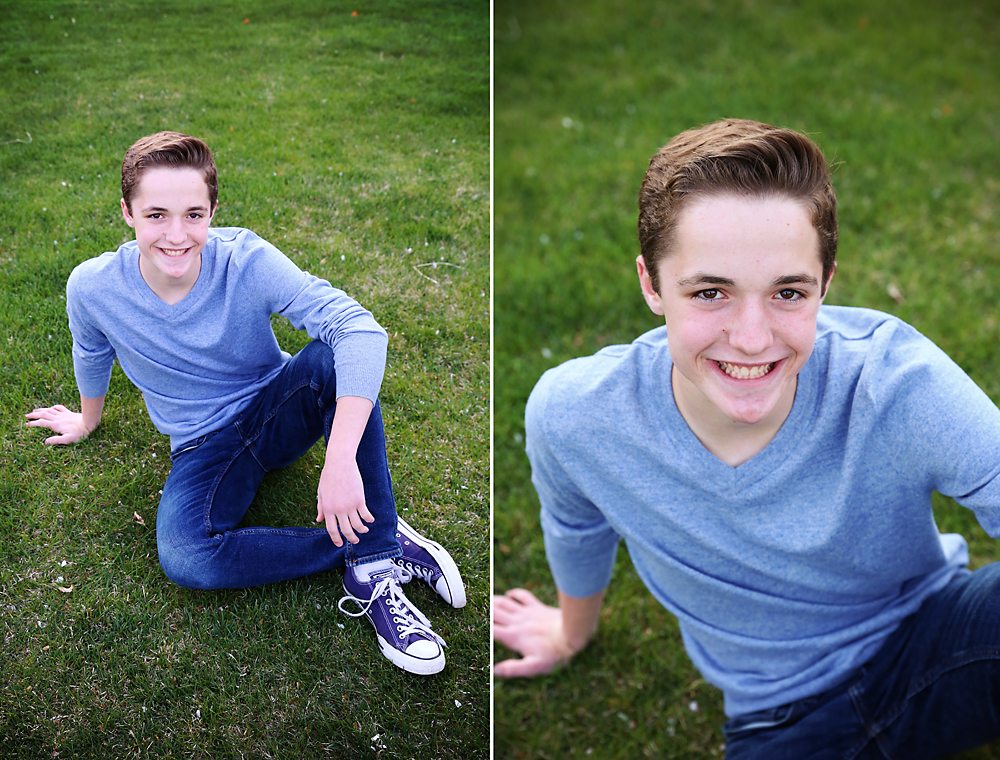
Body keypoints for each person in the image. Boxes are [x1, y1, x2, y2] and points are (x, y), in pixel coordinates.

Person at [492, 119, 1000, 757]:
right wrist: (570, 633)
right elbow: (577, 527)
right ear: (651, 284)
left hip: (938, 630)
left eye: (789, 292)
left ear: (826, 284)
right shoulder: (576, 416)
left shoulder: (895, 382)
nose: (754, 338)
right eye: (711, 293)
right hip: (782, 716)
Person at [26, 131, 466, 676]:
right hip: (201, 447)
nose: (176, 235)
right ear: (127, 212)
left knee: (332, 358)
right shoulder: (92, 287)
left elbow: (359, 330)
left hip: (277, 409)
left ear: (213, 211)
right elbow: (91, 352)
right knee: (186, 557)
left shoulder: (246, 259)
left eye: (193, 214)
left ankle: (372, 566)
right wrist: (88, 420)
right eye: (157, 214)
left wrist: (340, 458)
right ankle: (377, 535)